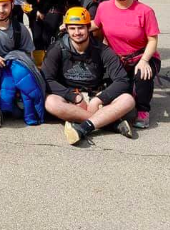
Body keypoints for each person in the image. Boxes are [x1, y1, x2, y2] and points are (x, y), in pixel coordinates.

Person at [41, 7, 135, 145]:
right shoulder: (56, 48)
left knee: (128, 100)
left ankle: (83, 127)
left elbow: (122, 80)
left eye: (81, 28)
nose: (77, 32)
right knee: (50, 102)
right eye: (72, 28)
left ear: (88, 28)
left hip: (95, 96)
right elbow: (46, 79)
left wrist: (99, 99)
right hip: (69, 98)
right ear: (66, 29)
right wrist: (74, 97)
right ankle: (109, 123)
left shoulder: (103, 50)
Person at [93, 0, 161, 129]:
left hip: (143, 56)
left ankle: (143, 110)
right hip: (118, 59)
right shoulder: (103, 7)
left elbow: (153, 40)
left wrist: (144, 61)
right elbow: (95, 25)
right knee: (117, 87)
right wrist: (71, 25)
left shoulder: (145, 11)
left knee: (142, 74)